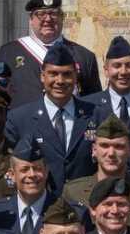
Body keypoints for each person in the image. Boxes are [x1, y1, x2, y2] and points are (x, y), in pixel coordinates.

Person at [10, 43, 98, 185]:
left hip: (85, 203)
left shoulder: (96, 114)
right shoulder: (19, 119)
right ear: (42, 76)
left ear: (76, 77)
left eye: (67, 74)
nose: (60, 81)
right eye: (53, 74)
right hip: (42, 202)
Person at [61, 117, 130, 234]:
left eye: (118, 146)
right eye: (104, 145)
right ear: (94, 150)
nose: (111, 153)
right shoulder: (74, 192)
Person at [1, 0, 100, 105]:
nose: (48, 19)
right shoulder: (9, 52)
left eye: (54, 13)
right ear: (31, 19)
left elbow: (94, 103)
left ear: (62, 18)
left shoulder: (84, 56)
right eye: (41, 14)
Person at [85, 36, 130, 134]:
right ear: (106, 70)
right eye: (117, 66)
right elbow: (87, 145)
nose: (123, 72)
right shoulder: (88, 106)